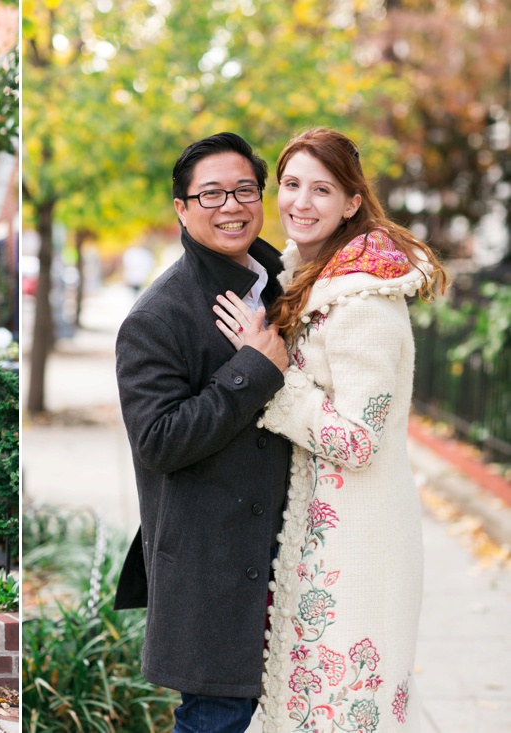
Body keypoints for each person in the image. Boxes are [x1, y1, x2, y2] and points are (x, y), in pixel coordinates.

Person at [214, 127, 447, 732]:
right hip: (320, 539)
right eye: (291, 185)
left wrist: (270, 372)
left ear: (351, 202)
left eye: (322, 189)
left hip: (357, 550)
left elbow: (358, 441)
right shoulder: (309, 277)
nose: (301, 202)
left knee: (341, 712)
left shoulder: (363, 303)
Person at [113, 132, 291, 733]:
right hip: (212, 563)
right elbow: (159, 441)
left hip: (289, 550)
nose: (231, 206)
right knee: (216, 717)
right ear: (182, 209)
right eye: (211, 194)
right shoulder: (158, 316)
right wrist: (251, 372)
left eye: (244, 190)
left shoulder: (284, 281)